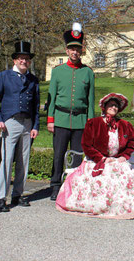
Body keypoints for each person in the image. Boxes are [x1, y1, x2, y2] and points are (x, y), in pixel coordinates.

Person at [55, 93, 134, 219]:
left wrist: (124, 156)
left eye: (116, 106)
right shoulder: (93, 123)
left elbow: (131, 143)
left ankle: (122, 207)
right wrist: (102, 158)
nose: (114, 108)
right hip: (96, 161)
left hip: (116, 161)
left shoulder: (125, 125)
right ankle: (98, 206)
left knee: (129, 176)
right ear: (104, 107)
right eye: (111, 105)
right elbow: (86, 145)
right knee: (102, 178)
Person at [47, 22, 95, 201]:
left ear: (81, 51)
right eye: (71, 49)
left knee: (76, 157)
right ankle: (55, 185)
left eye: (78, 49)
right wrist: (50, 119)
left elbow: (90, 100)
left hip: (81, 121)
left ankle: (73, 186)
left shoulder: (88, 73)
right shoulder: (58, 71)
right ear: (66, 51)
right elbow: (51, 96)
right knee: (58, 155)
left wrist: (90, 123)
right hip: (60, 119)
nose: (75, 52)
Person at [0, 41, 40, 212]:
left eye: (26, 59)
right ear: (14, 60)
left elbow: (36, 105)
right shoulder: (3, 76)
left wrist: (36, 125)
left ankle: (18, 194)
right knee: (6, 160)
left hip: (27, 123)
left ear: (29, 61)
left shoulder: (33, 80)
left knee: (23, 161)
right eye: (20, 58)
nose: (23, 61)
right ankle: (1, 198)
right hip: (9, 123)